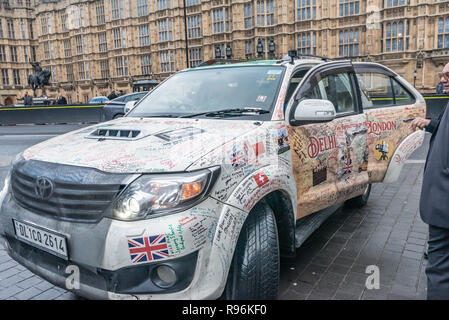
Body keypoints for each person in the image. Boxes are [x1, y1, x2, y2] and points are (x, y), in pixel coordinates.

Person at [410, 62, 449, 299]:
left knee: (438, 268)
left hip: (443, 203)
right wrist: (429, 124)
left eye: (448, 75)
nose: (443, 79)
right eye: (443, 74)